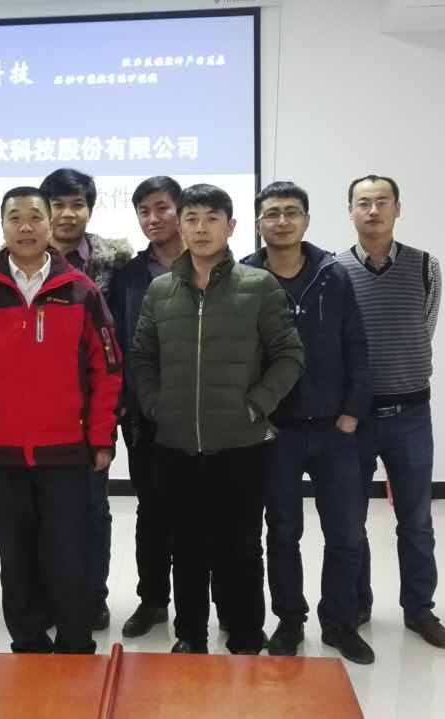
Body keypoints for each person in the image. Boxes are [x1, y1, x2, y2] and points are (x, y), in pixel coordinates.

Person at [0, 186, 122, 654]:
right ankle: (28, 643)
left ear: (49, 223)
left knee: (68, 552)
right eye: (15, 217)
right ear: (1, 225)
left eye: (35, 217)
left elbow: (106, 370)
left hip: (66, 452)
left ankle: (75, 642)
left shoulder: (81, 291)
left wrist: (101, 437)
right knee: (16, 556)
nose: (26, 226)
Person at [130, 183, 304, 655]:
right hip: (176, 444)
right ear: (181, 227)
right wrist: (156, 405)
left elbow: (289, 355)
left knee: (241, 546)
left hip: (241, 443)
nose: (201, 228)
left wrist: (256, 405)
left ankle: (245, 635)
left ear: (231, 227)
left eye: (212, 218)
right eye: (191, 219)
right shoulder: (160, 290)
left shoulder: (258, 286)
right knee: (185, 547)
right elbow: (142, 357)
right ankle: (190, 636)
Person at [242, 181, 375, 664]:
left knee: (346, 532)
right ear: (259, 223)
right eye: (272, 213)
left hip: (334, 430)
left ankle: (339, 623)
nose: (282, 221)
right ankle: (290, 621)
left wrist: (352, 412)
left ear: (306, 220)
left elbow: (357, 345)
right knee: (282, 532)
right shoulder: (244, 276)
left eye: (291, 212)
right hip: (275, 432)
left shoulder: (332, 274)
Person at [338, 174, 445, 650]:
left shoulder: (426, 266)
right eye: (363, 203)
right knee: (350, 521)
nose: (373, 211)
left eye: (382, 202)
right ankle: (358, 604)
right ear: (350, 211)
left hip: (411, 414)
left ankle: (419, 609)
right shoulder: (335, 269)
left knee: (416, 519)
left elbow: (423, 329)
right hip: (354, 418)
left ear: (397, 208)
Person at [39, 167, 133, 631]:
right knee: (43, 510)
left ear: (90, 209)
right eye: (58, 205)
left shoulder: (115, 259)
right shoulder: (22, 257)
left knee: (93, 508)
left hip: (96, 401)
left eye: (77, 204)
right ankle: (48, 595)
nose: (67, 213)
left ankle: (93, 595)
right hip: (40, 404)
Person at [107, 175, 183, 638]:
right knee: (152, 512)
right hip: (145, 416)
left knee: (203, 512)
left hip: (206, 415)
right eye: (144, 211)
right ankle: (153, 600)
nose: (153, 219)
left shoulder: (213, 266)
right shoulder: (130, 275)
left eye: (161, 208)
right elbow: (117, 341)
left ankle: (206, 601)